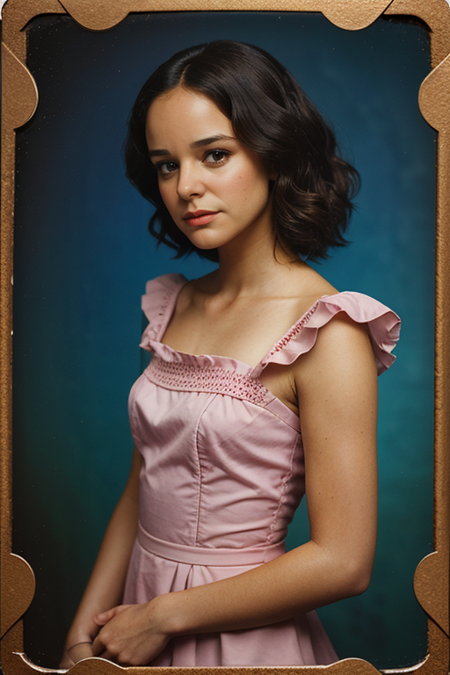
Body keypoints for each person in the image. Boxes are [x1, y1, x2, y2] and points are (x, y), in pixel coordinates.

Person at [61, 40, 400, 668]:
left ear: (274, 153)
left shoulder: (330, 330)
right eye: (167, 166)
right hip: (128, 621)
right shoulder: (169, 306)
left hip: (240, 637)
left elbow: (345, 562)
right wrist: (81, 639)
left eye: (214, 155)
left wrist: (161, 617)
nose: (187, 186)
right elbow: (144, 482)